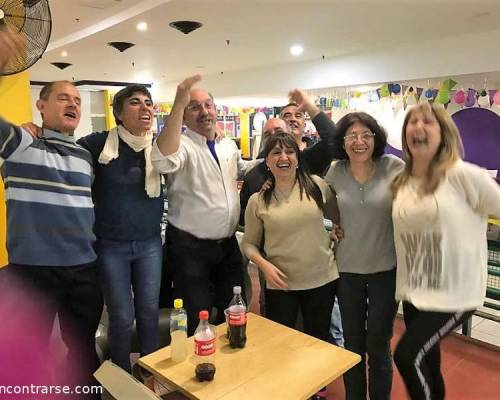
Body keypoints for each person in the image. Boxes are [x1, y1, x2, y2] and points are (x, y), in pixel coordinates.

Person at [0, 29, 103, 396]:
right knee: (26, 358)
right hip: (31, 272)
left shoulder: (85, 156)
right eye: (62, 97)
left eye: (77, 99)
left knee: (83, 354)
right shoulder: (22, 144)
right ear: (40, 106)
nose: (72, 103)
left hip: (82, 269)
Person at [392, 102, 500, 400]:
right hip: (416, 290)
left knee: (406, 356)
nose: (418, 127)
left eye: (427, 122)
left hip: (455, 293)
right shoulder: (404, 182)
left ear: (444, 133)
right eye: (412, 122)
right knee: (428, 362)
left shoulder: (465, 175)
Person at [77, 85, 164, 373]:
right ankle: (121, 378)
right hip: (111, 245)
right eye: (135, 103)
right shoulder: (98, 144)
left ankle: (151, 375)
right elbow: (63, 147)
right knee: (122, 317)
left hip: (150, 244)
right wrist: (36, 132)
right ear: (118, 112)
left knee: (149, 314)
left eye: (149, 103)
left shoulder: (160, 147)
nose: (145, 109)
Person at [151, 75, 248, 335]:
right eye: (194, 107)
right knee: (196, 318)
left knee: (236, 313)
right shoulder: (181, 145)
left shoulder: (228, 146)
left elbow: (242, 175)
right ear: (183, 115)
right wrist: (178, 101)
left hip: (227, 247)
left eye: (208, 105)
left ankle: (236, 371)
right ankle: (199, 370)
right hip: (190, 249)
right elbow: (162, 162)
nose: (204, 111)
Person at [325, 112, 404, 400]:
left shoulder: (394, 167)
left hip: (386, 270)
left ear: (375, 138)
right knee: (353, 347)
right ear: (343, 142)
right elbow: (321, 211)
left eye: (366, 135)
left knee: (379, 345)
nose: (359, 142)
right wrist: (328, 230)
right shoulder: (335, 172)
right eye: (352, 136)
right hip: (347, 272)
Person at [242, 131, 339, 343]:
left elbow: (336, 216)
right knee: (282, 345)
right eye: (276, 152)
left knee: (318, 343)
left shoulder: (317, 186)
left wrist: (333, 231)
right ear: (266, 161)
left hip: (322, 280)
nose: (283, 157)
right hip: (281, 284)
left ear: (297, 158)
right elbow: (249, 244)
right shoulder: (257, 201)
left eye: (289, 152)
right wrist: (264, 266)